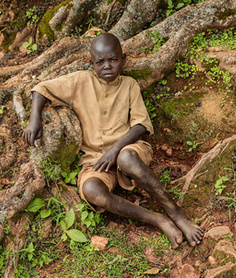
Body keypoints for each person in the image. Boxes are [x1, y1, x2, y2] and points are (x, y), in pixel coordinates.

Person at [22, 33, 203, 248]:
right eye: (100, 62)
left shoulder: (129, 85)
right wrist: (34, 121)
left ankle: (176, 212)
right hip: (96, 160)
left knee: (125, 158)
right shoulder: (80, 81)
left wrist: (115, 151)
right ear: (91, 63)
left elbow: (141, 125)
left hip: (129, 150)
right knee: (91, 190)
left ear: (123, 59)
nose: (107, 66)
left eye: (113, 60)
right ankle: (157, 219)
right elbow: (42, 88)